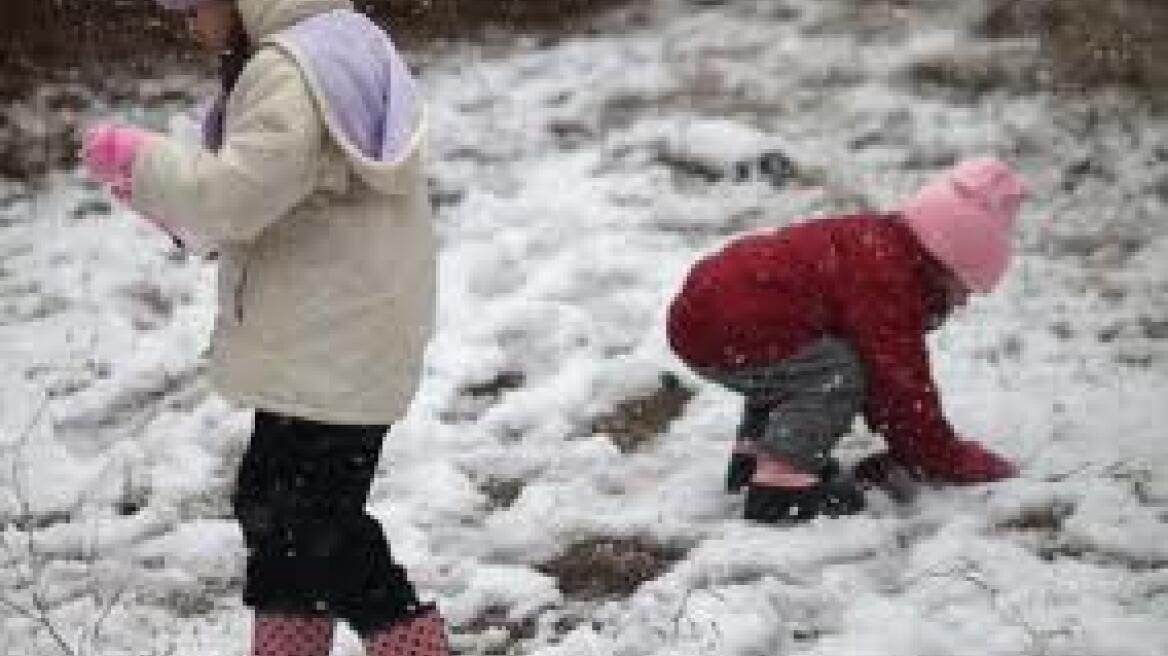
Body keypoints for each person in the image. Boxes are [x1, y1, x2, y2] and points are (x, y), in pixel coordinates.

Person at [79, 1, 446, 654]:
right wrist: (165, 204)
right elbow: (266, 201)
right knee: (276, 511)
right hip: (337, 333)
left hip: (335, 340)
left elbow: (234, 198)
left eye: (193, 4)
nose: (187, 21)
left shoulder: (289, 70)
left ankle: (414, 647)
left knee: (316, 522)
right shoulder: (336, 42)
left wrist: (142, 162)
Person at [666, 157, 1026, 524]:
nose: (963, 302)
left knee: (795, 368)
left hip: (713, 309)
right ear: (943, 262)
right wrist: (942, 457)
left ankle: (756, 459)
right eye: (963, 287)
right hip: (728, 320)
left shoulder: (879, 245)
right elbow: (900, 384)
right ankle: (780, 489)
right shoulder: (888, 281)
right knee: (834, 376)